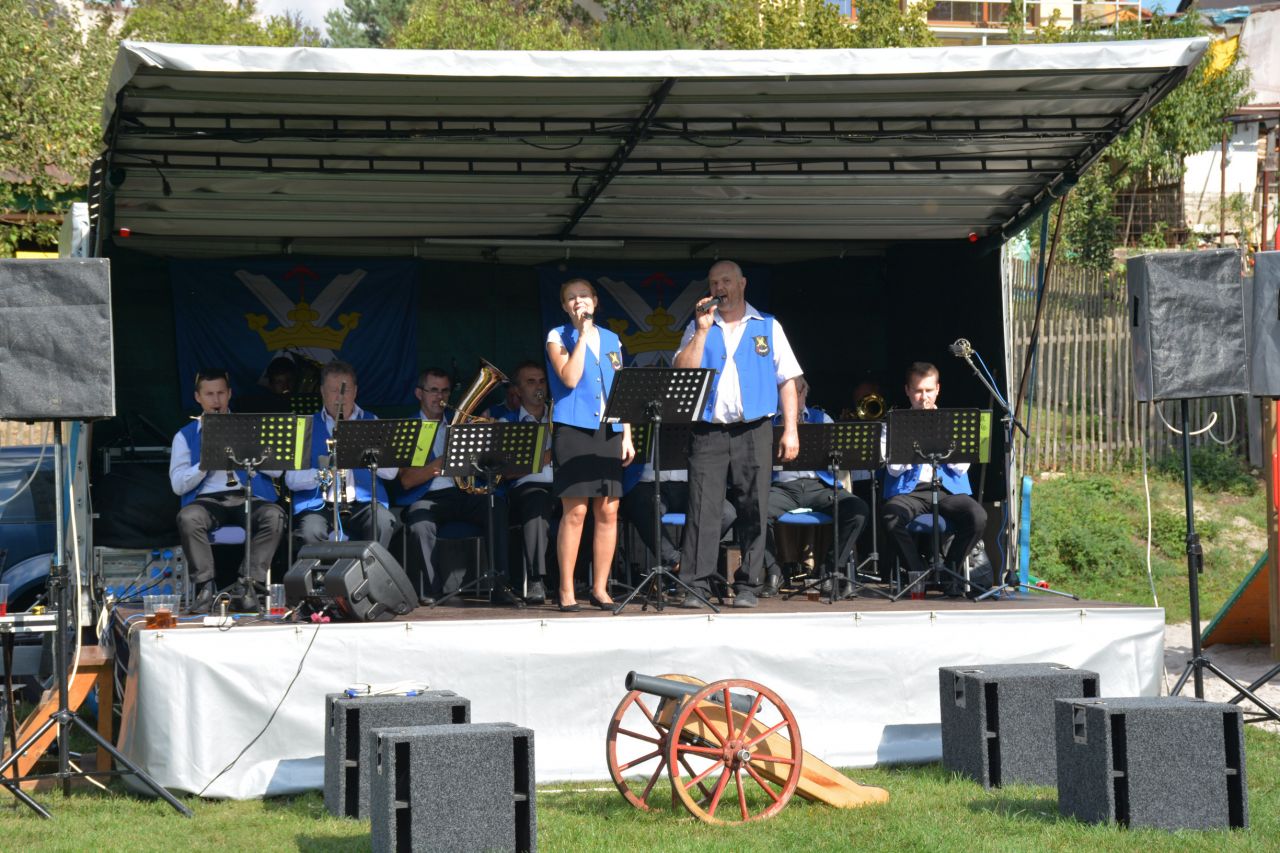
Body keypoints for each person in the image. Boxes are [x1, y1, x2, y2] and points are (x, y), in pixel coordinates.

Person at [673, 260, 802, 608]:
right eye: (714, 282)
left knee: (754, 507)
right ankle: (696, 585)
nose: (720, 288)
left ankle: (748, 584)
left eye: (726, 281)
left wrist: (790, 429)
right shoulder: (698, 326)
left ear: (742, 284)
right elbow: (682, 371)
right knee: (703, 507)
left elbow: (787, 380)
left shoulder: (767, 325)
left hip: (754, 428)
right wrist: (701, 331)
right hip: (708, 430)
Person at [546, 278, 635, 612]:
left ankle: (600, 588)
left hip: (609, 430)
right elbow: (569, 377)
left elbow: (621, 389)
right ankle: (566, 589)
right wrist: (582, 335)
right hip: (574, 429)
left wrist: (627, 434)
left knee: (608, 509)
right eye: (571, 298)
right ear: (564, 306)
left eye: (584, 296)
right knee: (576, 511)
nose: (578, 301)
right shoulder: (558, 336)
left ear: (595, 301)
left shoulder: (612, 339)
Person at [396, 367, 516, 607]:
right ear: (419, 393)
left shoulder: (459, 424)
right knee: (420, 525)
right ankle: (431, 590)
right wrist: (440, 463)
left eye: (444, 391)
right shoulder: (408, 427)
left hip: (463, 493)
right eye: (433, 390)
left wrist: (491, 440)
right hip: (428, 497)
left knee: (497, 507)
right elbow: (406, 481)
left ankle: (500, 584)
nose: (439, 397)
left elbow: (486, 466)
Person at [170, 368, 286, 614]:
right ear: (198, 397)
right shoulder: (184, 436)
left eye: (221, 393)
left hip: (247, 496)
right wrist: (205, 463)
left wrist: (251, 455)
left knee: (274, 515)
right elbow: (178, 485)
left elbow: (278, 471)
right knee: (188, 518)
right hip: (208, 501)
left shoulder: (250, 428)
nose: (216, 400)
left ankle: (248, 585)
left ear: (230, 394)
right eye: (209, 394)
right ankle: (205, 587)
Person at [881, 362, 987, 596]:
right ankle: (919, 573)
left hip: (947, 490)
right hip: (911, 492)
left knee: (977, 516)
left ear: (937, 389)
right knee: (890, 515)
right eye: (918, 391)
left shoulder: (952, 422)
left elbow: (961, 468)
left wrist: (942, 446)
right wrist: (914, 447)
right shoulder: (893, 424)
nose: (924, 397)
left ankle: (950, 573)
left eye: (929, 390)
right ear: (907, 390)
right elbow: (893, 469)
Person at [762, 376, 870, 597]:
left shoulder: (822, 418)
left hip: (819, 486)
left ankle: (829, 570)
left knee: (857, 510)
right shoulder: (768, 422)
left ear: (805, 393)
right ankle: (774, 571)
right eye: (786, 392)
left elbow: (841, 458)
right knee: (754, 511)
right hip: (783, 488)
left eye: (797, 392)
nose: (792, 397)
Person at [286, 361, 398, 549]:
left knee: (383, 522)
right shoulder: (305, 427)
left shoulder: (372, 421)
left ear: (355, 392)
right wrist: (325, 473)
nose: (340, 397)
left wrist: (361, 452)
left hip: (362, 505)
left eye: (346, 390)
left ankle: (369, 569)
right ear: (322, 392)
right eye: (333, 390)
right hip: (319, 507)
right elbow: (291, 480)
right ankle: (322, 570)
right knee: (310, 531)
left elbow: (391, 473)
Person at [622, 429, 736, 581]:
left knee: (726, 513)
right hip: (647, 483)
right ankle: (676, 563)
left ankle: (686, 562)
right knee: (643, 506)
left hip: (690, 484)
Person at [502, 361, 556, 604]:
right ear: (517, 390)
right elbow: (507, 471)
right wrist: (549, 456)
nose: (539, 387)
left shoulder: (560, 418)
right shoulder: (507, 422)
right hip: (527, 490)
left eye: (542, 381)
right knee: (537, 502)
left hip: (563, 487)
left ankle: (570, 578)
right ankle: (536, 578)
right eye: (531, 382)